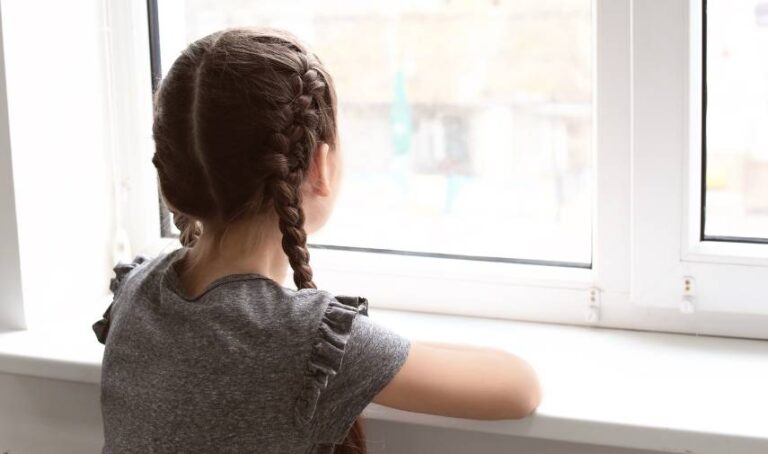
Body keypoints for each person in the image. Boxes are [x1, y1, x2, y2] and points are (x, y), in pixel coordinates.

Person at [92, 26, 541, 454]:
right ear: (318, 166)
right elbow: (520, 388)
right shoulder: (299, 336)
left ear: (171, 176)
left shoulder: (135, 291)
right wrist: (366, 343)